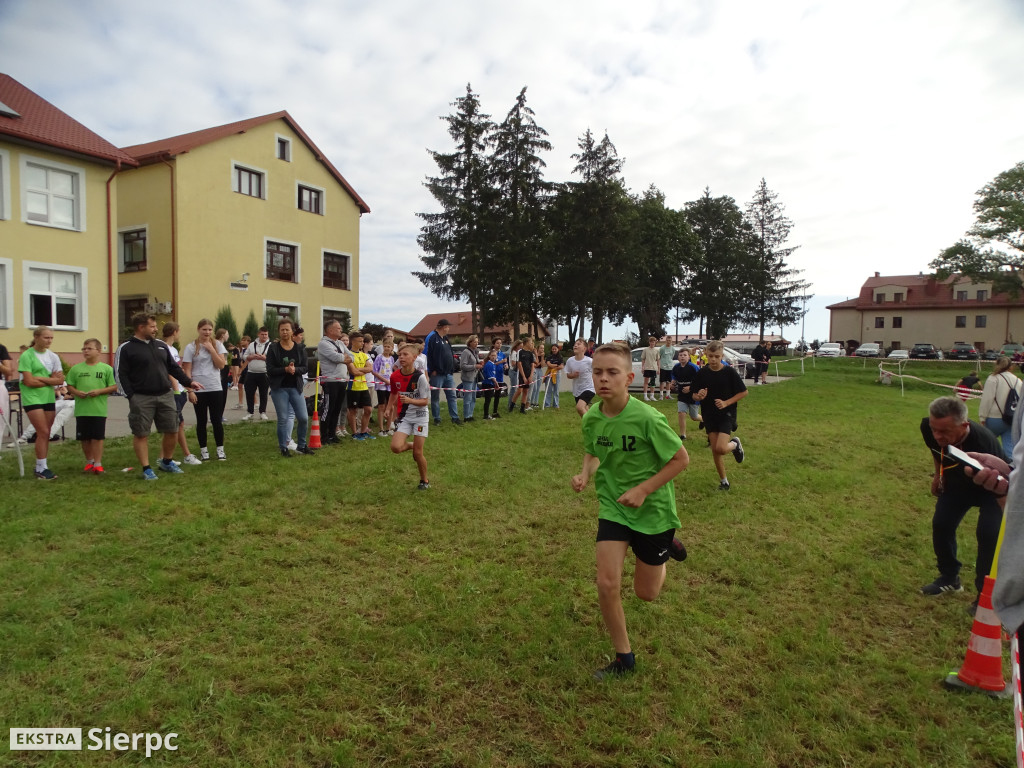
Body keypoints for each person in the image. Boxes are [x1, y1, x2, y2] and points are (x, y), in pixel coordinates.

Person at [571, 342, 689, 680]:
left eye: (612, 372)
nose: (604, 379)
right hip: (614, 507)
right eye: (598, 372)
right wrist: (585, 473)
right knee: (607, 584)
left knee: (646, 594)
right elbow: (593, 452)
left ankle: (666, 549)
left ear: (629, 377)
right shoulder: (592, 417)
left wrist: (643, 489)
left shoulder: (648, 417)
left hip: (652, 511)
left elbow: (681, 460)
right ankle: (624, 658)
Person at [920, 396, 1003, 600]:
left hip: (989, 488)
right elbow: (935, 449)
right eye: (934, 429)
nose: (937, 435)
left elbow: (1001, 479)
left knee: (988, 535)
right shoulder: (928, 426)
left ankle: (984, 596)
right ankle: (949, 578)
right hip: (957, 485)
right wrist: (938, 474)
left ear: (964, 425)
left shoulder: (984, 442)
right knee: (942, 524)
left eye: (944, 431)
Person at [115, 313, 201, 480]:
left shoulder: (161, 346)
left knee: (172, 429)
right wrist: (131, 396)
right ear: (141, 327)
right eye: (152, 326)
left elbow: (173, 368)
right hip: (141, 397)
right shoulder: (126, 348)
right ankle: (147, 469)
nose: (156, 330)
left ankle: (166, 462)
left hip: (165, 395)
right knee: (141, 433)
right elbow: (120, 374)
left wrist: (189, 383)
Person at [691, 340, 748, 491]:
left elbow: (743, 392)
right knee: (715, 450)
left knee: (721, 448)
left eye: (717, 356)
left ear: (722, 355)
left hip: (726, 413)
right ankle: (724, 482)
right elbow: (694, 395)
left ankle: (735, 444)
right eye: (711, 356)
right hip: (709, 414)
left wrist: (726, 402)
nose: (714, 359)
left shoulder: (729, 372)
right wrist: (699, 396)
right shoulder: (702, 373)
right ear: (706, 355)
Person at [18, 326, 65, 480]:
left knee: (45, 433)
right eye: (46, 337)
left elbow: (59, 380)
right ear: (36, 337)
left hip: (47, 398)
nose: (49, 341)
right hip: (32, 397)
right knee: (43, 431)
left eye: (51, 338)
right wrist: (49, 380)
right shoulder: (27, 356)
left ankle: (42, 465)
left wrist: (43, 379)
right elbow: (29, 381)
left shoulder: (53, 356)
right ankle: (41, 467)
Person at [65, 338, 117, 474]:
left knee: (97, 437)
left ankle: (98, 463)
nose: (86, 351)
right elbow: (69, 385)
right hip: (82, 409)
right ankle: (89, 461)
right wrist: (76, 392)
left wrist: (99, 391)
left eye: (89, 348)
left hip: (98, 409)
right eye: (84, 348)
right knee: (85, 437)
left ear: (98, 351)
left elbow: (113, 386)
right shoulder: (76, 368)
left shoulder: (106, 369)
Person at [386, 342, 432, 490]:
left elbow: (425, 401)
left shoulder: (420, 378)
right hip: (405, 416)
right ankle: (414, 445)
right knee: (395, 447)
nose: (402, 357)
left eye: (405, 354)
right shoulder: (395, 376)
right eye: (399, 355)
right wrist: (388, 408)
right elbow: (393, 393)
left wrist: (411, 400)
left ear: (414, 357)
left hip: (420, 416)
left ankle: (424, 481)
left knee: (418, 454)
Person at [267, 317, 315, 457]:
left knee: (303, 418)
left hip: (295, 387)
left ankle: (301, 445)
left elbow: (305, 367)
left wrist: (295, 370)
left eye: (287, 329)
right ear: (278, 332)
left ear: (292, 332)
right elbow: (270, 369)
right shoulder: (273, 348)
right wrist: (285, 370)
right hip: (279, 388)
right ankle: (284, 447)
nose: (284, 332)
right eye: (282, 330)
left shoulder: (300, 348)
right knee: (283, 418)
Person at [182, 319, 228, 461]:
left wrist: (212, 350)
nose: (207, 332)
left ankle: (220, 450)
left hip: (215, 387)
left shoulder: (218, 344)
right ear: (198, 329)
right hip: (199, 388)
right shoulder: (190, 347)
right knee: (201, 420)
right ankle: (204, 450)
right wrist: (190, 390)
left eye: (209, 329)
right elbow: (187, 370)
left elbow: (221, 365)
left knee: (216, 420)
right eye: (204, 329)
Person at [162, 322, 202, 466]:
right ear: (174, 332)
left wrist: (188, 388)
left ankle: (164, 457)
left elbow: (179, 370)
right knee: (177, 424)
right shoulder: (165, 348)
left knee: (176, 424)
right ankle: (186, 455)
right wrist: (176, 389)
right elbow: (168, 371)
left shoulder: (172, 349)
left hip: (180, 389)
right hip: (173, 392)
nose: (180, 334)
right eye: (179, 331)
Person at [978, 356, 1022, 462]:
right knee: (1010, 450)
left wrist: (982, 418)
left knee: (985, 445)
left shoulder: (993, 379)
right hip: (1012, 419)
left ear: (996, 364)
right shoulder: (1018, 380)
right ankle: (1010, 471)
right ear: (1011, 366)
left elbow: (987, 400)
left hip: (994, 418)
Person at [317, 319, 352, 445]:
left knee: (337, 408)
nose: (341, 330)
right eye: (338, 328)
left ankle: (332, 435)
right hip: (330, 381)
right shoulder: (323, 344)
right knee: (328, 409)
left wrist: (344, 358)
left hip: (342, 380)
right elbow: (335, 357)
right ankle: (324, 436)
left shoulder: (340, 344)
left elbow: (351, 356)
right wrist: (344, 358)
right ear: (330, 330)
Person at [424, 318, 461, 426]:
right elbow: (428, 355)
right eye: (448, 326)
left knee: (452, 395)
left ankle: (455, 417)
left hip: (448, 373)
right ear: (443, 327)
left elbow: (450, 352)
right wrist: (432, 370)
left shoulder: (445, 338)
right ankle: (437, 418)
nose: (449, 328)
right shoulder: (432, 337)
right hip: (437, 373)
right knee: (435, 397)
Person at [671, 348, 702, 440]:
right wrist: (673, 383)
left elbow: (700, 380)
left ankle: (703, 420)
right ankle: (683, 435)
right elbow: (674, 376)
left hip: (693, 395)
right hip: (682, 394)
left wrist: (690, 388)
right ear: (678, 357)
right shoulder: (676, 367)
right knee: (681, 413)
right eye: (680, 355)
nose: (682, 357)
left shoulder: (693, 367)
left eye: (685, 355)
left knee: (694, 416)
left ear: (689, 357)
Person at [242, 327, 272, 421]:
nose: (264, 336)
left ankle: (262, 412)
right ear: (258, 334)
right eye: (262, 334)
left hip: (264, 373)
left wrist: (265, 358)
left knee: (263, 394)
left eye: (266, 334)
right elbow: (244, 356)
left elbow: (274, 359)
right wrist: (250, 356)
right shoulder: (251, 344)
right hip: (251, 373)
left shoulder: (271, 345)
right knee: (249, 393)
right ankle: (250, 412)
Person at [372, 338, 398, 435]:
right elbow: (374, 371)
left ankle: (388, 428)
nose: (386, 348)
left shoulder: (391, 358)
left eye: (389, 347)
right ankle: (381, 429)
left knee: (390, 406)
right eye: (385, 346)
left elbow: (392, 371)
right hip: (381, 384)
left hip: (389, 385)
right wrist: (384, 380)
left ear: (392, 348)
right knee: (381, 406)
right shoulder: (379, 357)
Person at [564, 339, 595, 417]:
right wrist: (573, 375)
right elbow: (568, 375)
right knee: (585, 409)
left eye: (579, 344)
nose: (576, 345)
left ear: (584, 349)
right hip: (577, 390)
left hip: (589, 388)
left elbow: (597, 372)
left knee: (579, 407)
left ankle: (589, 424)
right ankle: (591, 426)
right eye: (575, 344)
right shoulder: (570, 361)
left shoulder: (590, 361)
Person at [459, 335, 483, 422]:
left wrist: (479, 363)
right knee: (468, 397)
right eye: (475, 342)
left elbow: (476, 362)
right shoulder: (466, 352)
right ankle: (466, 416)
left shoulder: (475, 352)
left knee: (473, 397)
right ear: (470, 342)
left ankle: (470, 414)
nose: (476, 344)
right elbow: (462, 366)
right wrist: (474, 366)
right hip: (468, 378)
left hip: (475, 377)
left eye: (477, 342)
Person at [511, 338, 538, 414]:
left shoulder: (530, 354)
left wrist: (531, 376)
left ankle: (522, 408)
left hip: (529, 374)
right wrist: (523, 377)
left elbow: (533, 365)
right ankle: (512, 405)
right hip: (522, 374)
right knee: (519, 390)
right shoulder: (520, 352)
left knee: (526, 391)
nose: (532, 344)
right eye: (531, 342)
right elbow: (519, 364)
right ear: (526, 343)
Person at [481, 348, 505, 420]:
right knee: (487, 400)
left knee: (489, 399)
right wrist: (496, 383)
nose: (493, 357)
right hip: (487, 383)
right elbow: (491, 376)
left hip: (491, 383)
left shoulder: (493, 364)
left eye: (495, 355)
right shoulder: (489, 364)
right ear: (489, 356)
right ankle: (486, 415)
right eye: (492, 355)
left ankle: (487, 414)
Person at [543, 343, 564, 409]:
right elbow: (548, 364)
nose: (554, 350)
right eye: (553, 349)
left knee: (556, 389)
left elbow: (561, 366)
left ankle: (556, 404)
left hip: (557, 374)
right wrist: (555, 365)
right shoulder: (549, 356)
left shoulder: (560, 357)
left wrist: (555, 367)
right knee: (548, 389)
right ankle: (547, 404)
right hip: (549, 373)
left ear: (558, 349)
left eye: (555, 349)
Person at [231, 334, 248, 409]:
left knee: (250, 387)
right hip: (243, 370)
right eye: (242, 340)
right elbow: (241, 360)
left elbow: (247, 361)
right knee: (240, 385)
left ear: (248, 341)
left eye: (243, 340)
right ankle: (240, 403)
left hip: (249, 369)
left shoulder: (250, 349)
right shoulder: (241, 350)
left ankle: (256, 403)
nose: (241, 341)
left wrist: (241, 369)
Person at [640, 336, 660, 401]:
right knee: (646, 382)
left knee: (652, 382)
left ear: (655, 342)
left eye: (653, 342)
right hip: (647, 368)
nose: (652, 343)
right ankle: (645, 396)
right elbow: (643, 359)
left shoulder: (657, 350)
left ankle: (652, 396)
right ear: (649, 342)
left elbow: (658, 360)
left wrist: (658, 368)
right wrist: (643, 367)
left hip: (654, 368)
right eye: (651, 342)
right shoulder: (645, 350)